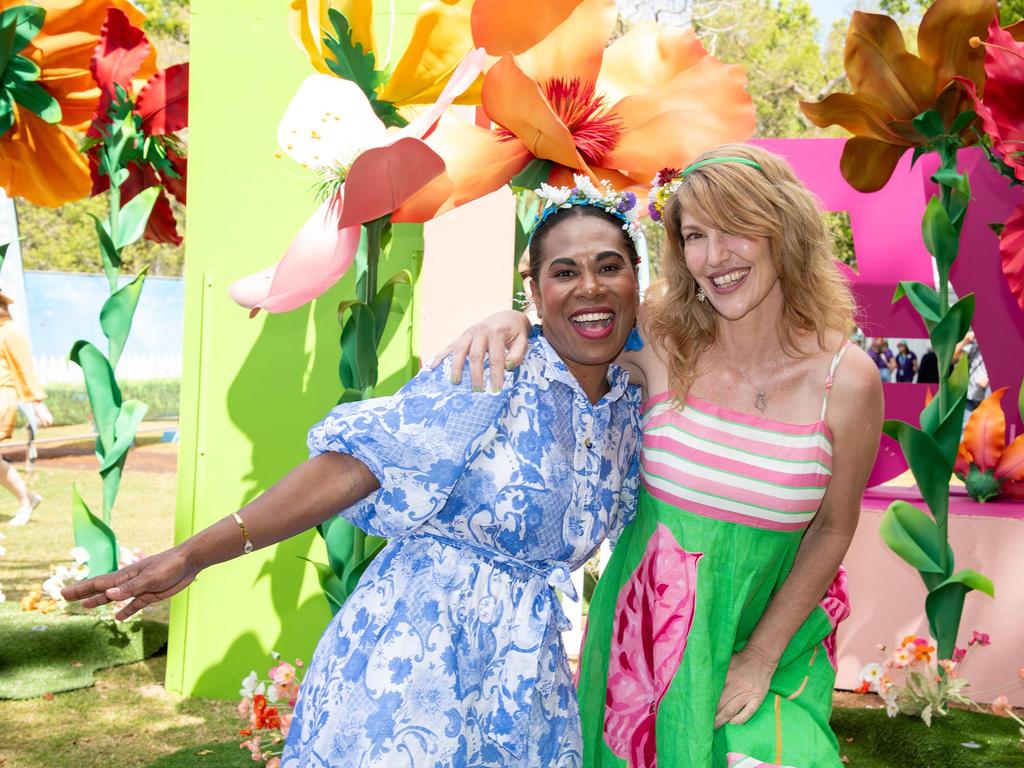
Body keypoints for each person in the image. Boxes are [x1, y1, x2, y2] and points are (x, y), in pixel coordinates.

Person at [64, 179, 646, 767]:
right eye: (565, 272)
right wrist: (195, 554)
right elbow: (356, 468)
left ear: (636, 281)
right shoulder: (494, 367)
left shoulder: (630, 407)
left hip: (524, 676)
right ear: (536, 292)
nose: (589, 286)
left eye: (609, 266)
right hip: (419, 653)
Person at [435, 144, 883, 767]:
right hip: (644, 646)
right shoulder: (661, 339)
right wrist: (504, 321)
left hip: (771, 641)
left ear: (784, 231)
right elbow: (572, 323)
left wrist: (759, 658)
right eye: (696, 234)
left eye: (737, 228)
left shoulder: (848, 380)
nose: (714, 256)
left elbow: (834, 524)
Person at [0, 289, 52, 525]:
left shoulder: (9, 332)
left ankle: (27, 500)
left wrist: (37, 403)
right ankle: (27, 499)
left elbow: (24, 368)